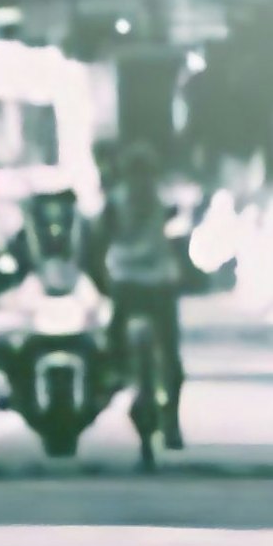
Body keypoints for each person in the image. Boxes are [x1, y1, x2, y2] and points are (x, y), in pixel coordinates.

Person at [93, 149, 191, 449]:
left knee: (169, 361)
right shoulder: (143, 203)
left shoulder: (129, 203)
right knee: (162, 357)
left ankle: (171, 419)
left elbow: (96, 246)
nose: (142, 182)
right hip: (141, 284)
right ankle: (169, 422)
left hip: (140, 284)